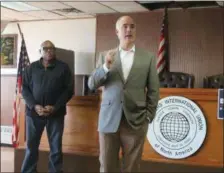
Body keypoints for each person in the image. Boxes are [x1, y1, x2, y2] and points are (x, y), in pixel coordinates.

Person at [88, 16, 159, 172]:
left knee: (132, 167)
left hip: (136, 121)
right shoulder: (105, 56)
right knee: (107, 166)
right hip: (108, 120)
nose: (129, 30)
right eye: (125, 26)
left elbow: (154, 90)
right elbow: (92, 84)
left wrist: (148, 116)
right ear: (117, 32)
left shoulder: (147, 58)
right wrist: (106, 67)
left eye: (132, 26)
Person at [21, 40, 74, 173]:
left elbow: (68, 91)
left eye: (51, 48)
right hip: (33, 114)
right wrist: (34, 106)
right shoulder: (30, 68)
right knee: (31, 147)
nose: (49, 51)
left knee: (55, 149)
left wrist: (55, 107)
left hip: (55, 114)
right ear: (40, 51)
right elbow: (25, 89)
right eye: (45, 48)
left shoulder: (63, 68)